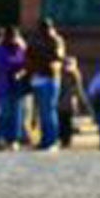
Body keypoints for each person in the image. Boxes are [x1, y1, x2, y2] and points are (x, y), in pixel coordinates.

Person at [24, 18, 66, 152]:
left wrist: (40, 55)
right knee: (43, 112)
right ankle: (44, 140)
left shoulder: (56, 40)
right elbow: (28, 55)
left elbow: (58, 56)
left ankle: (52, 140)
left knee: (49, 111)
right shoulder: (35, 40)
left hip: (50, 78)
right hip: (38, 78)